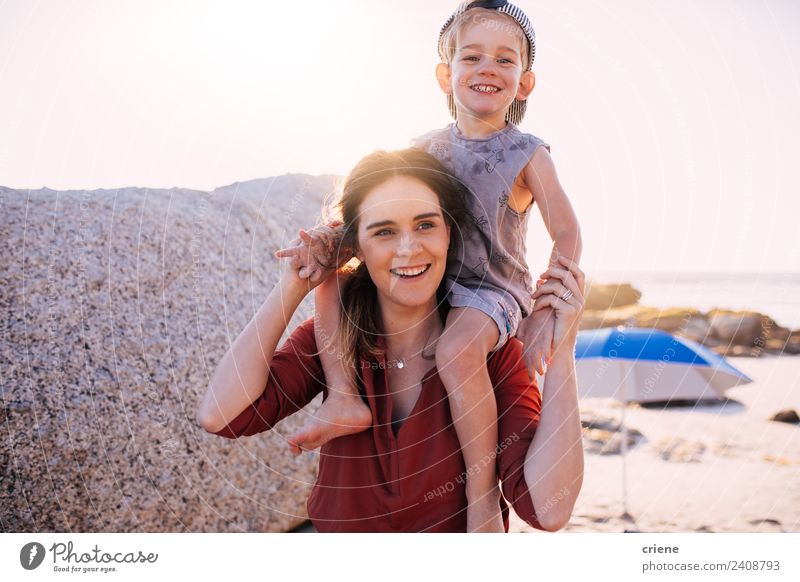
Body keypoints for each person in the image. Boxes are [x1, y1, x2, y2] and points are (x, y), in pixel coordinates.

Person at [276, 0, 582, 531]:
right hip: (429, 280)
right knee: (334, 281)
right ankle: (345, 398)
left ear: (524, 84)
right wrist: (330, 240)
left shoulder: (528, 153)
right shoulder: (422, 149)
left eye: (505, 61)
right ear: (447, 74)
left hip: (490, 290)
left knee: (457, 349)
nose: (488, 68)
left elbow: (568, 232)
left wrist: (546, 312)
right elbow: (380, 205)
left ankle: (483, 497)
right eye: (472, 56)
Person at [197, 148, 585, 533]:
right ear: (356, 247)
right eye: (384, 231)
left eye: (425, 225)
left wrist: (563, 349)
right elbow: (222, 415)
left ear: (449, 233)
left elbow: (547, 509)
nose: (408, 248)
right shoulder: (334, 339)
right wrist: (294, 283)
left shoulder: (488, 353)